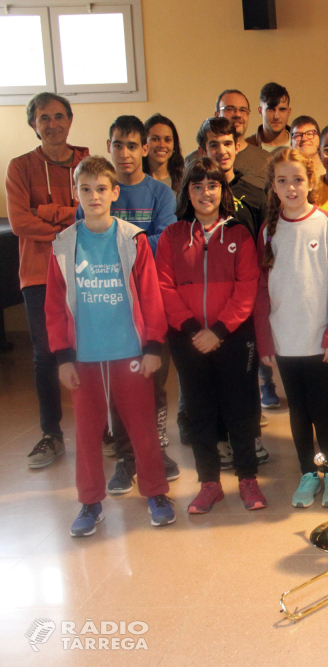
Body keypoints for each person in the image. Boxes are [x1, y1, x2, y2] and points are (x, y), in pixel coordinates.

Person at [45, 155, 174, 536]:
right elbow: (54, 306)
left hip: (129, 353)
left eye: (101, 188)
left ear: (114, 192)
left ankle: (155, 493)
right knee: (86, 435)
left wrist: (153, 345)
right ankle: (90, 503)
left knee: (143, 428)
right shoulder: (64, 244)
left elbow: (150, 296)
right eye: (85, 189)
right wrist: (62, 356)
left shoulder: (132, 239)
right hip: (84, 357)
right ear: (76, 194)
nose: (94, 196)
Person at [156, 158, 265, 513]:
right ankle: (209, 484)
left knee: (240, 410)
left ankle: (247, 480)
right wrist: (193, 331)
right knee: (200, 412)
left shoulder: (238, 233)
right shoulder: (172, 236)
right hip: (187, 340)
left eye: (213, 186)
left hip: (232, 337)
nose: (205, 193)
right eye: (197, 186)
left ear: (223, 190)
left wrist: (218, 331)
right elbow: (164, 286)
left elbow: (247, 287)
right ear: (186, 191)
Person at [254, 149, 328, 509]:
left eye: (298, 179)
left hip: (319, 339)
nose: (291, 187)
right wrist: (265, 339)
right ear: (273, 187)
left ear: (311, 182)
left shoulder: (326, 223)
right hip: (285, 340)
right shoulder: (269, 229)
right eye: (282, 181)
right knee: (297, 412)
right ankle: (307, 473)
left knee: (322, 411)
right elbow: (262, 289)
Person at [90, 115, 179, 494]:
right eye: (117, 145)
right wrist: (133, 246)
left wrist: (122, 245)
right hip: (111, 304)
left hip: (151, 300)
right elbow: (90, 243)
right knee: (119, 385)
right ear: (108, 147)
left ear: (145, 149)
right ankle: (127, 459)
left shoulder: (160, 194)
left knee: (154, 381)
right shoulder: (99, 194)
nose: (124, 153)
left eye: (131, 145)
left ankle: (156, 450)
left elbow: (163, 241)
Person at [6, 92, 89, 470]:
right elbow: (20, 222)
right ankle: (51, 434)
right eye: (44, 118)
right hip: (38, 272)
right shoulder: (19, 167)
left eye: (59, 116)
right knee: (46, 354)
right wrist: (66, 221)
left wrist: (49, 212)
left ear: (70, 120)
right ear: (33, 125)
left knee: (90, 348)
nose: (52, 123)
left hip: (86, 268)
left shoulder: (89, 163)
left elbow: (95, 213)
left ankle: (101, 427)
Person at [195, 117, 274, 445]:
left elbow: (264, 246)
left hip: (246, 298)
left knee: (244, 374)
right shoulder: (197, 192)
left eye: (228, 143)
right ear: (204, 149)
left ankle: (249, 437)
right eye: (214, 145)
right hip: (208, 300)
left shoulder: (254, 195)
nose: (222, 151)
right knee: (211, 376)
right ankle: (218, 438)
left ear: (238, 146)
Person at [185, 89, 270, 189]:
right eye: (229, 109)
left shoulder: (266, 159)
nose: (237, 115)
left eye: (243, 110)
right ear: (217, 115)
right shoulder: (194, 159)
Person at [142, 114, 184, 193]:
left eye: (167, 140)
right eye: (155, 139)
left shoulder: (184, 182)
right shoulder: (134, 181)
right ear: (144, 143)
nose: (162, 145)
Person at [247, 82, 291, 152]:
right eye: (271, 109)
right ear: (260, 111)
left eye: (282, 109)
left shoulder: (300, 145)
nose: (276, 116)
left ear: (289, 112)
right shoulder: (247, 147)